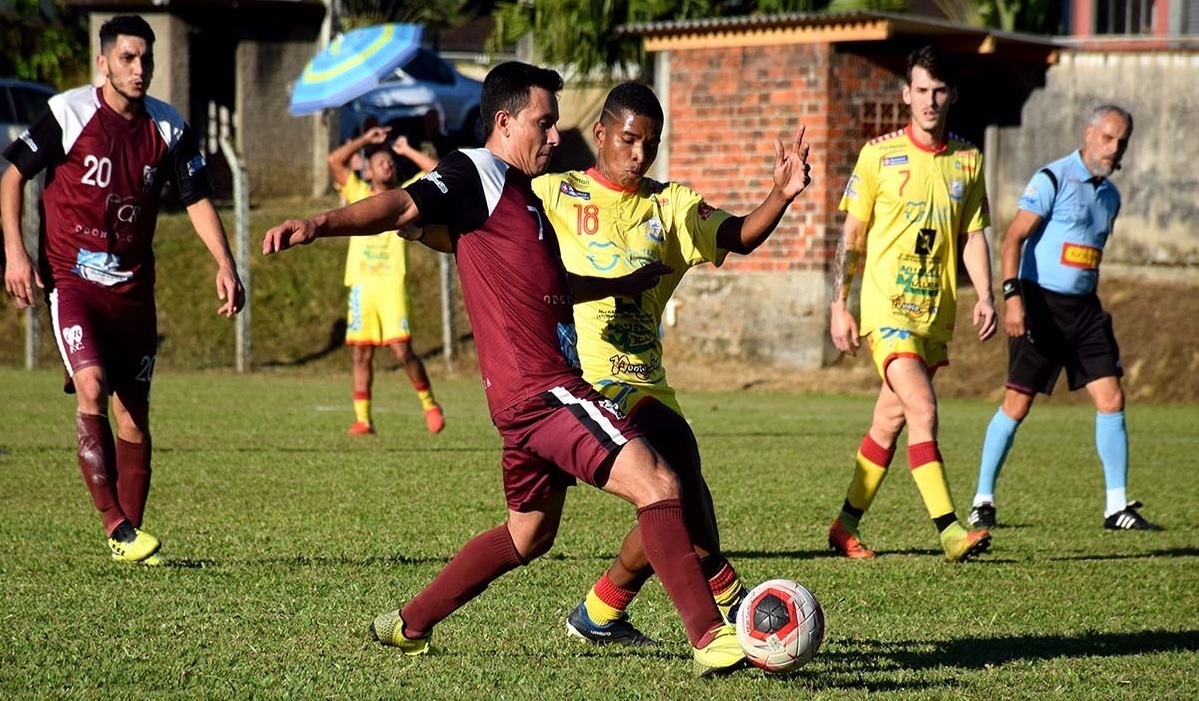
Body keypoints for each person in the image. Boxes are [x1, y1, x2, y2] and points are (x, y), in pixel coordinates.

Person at [262, 61, 746, 677]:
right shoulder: (477, 172)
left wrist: (622, 280)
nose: (553, 138)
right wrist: (318, 224)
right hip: (544, 392)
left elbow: (551, 284)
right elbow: (403, 207)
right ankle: (711, 637)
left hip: (521, 403)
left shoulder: (521, 199)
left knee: (528, 534)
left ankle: (409, 625)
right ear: (504, 121)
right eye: (544, 125)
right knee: (659, 482)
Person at [531, 82, 812, 645]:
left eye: (650, 145)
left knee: (671, 496)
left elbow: (737, 235)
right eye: (629, 140)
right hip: (588, 378)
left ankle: (598, 613)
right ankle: (732, 601)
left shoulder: (670, 205)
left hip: (648, 379)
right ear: (603, 134)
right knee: (678, 458)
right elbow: (496, 241)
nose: (639, 155)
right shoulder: (553, 193)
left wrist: (780, 196)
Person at [1, 15, 244, 565]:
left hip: (134, 291)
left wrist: (225, 263)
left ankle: (130, 534)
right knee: (91, 385)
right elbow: (13, 174)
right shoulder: (69, 113)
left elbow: (198, 198)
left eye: (146, 60)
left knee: (133, 415)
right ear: (103, 62)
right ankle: (117, 527)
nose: (139, 69)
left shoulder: (168, 127)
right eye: (128, 58)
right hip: (73, 281)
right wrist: (15, 253)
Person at [827, 45, 996, 562]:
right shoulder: (878, 156)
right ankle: (949, 531)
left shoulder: (968, 160)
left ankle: (844, 527)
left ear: (953, 96)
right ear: (906, 94)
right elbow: (852, 236)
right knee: (923, 408)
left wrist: (987, 293)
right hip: (887, 310)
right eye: (921, 90)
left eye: (939, 91)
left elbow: (973, 235)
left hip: (933, 314)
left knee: (890, 421)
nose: (930, 100)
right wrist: (841, 304)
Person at [967, 106, 1161, 532]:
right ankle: (982, 499)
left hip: (1086, 311)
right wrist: (1013, 299)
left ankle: (1116, 507)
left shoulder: (1111, 195)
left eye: (1122, 141)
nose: (1115, 148)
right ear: (1088, 134)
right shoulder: (1052, 179)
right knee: (1017, 405)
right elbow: (1012, 240)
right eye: (1109, 138)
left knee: (1112, 400)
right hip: (1039, 305)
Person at [329, 127, 444, 435]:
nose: (388, 165)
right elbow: (334, 161)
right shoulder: (357, 194)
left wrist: (406, 150)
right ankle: (363, 419)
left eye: (391, 162)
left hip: (391, 283)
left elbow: (437, 171)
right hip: (361, 284)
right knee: (361, 353)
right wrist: (366, 140)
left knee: (402, 350)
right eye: (381, 162)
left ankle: (430, 403)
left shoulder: (407, 195)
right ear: (368, 169)